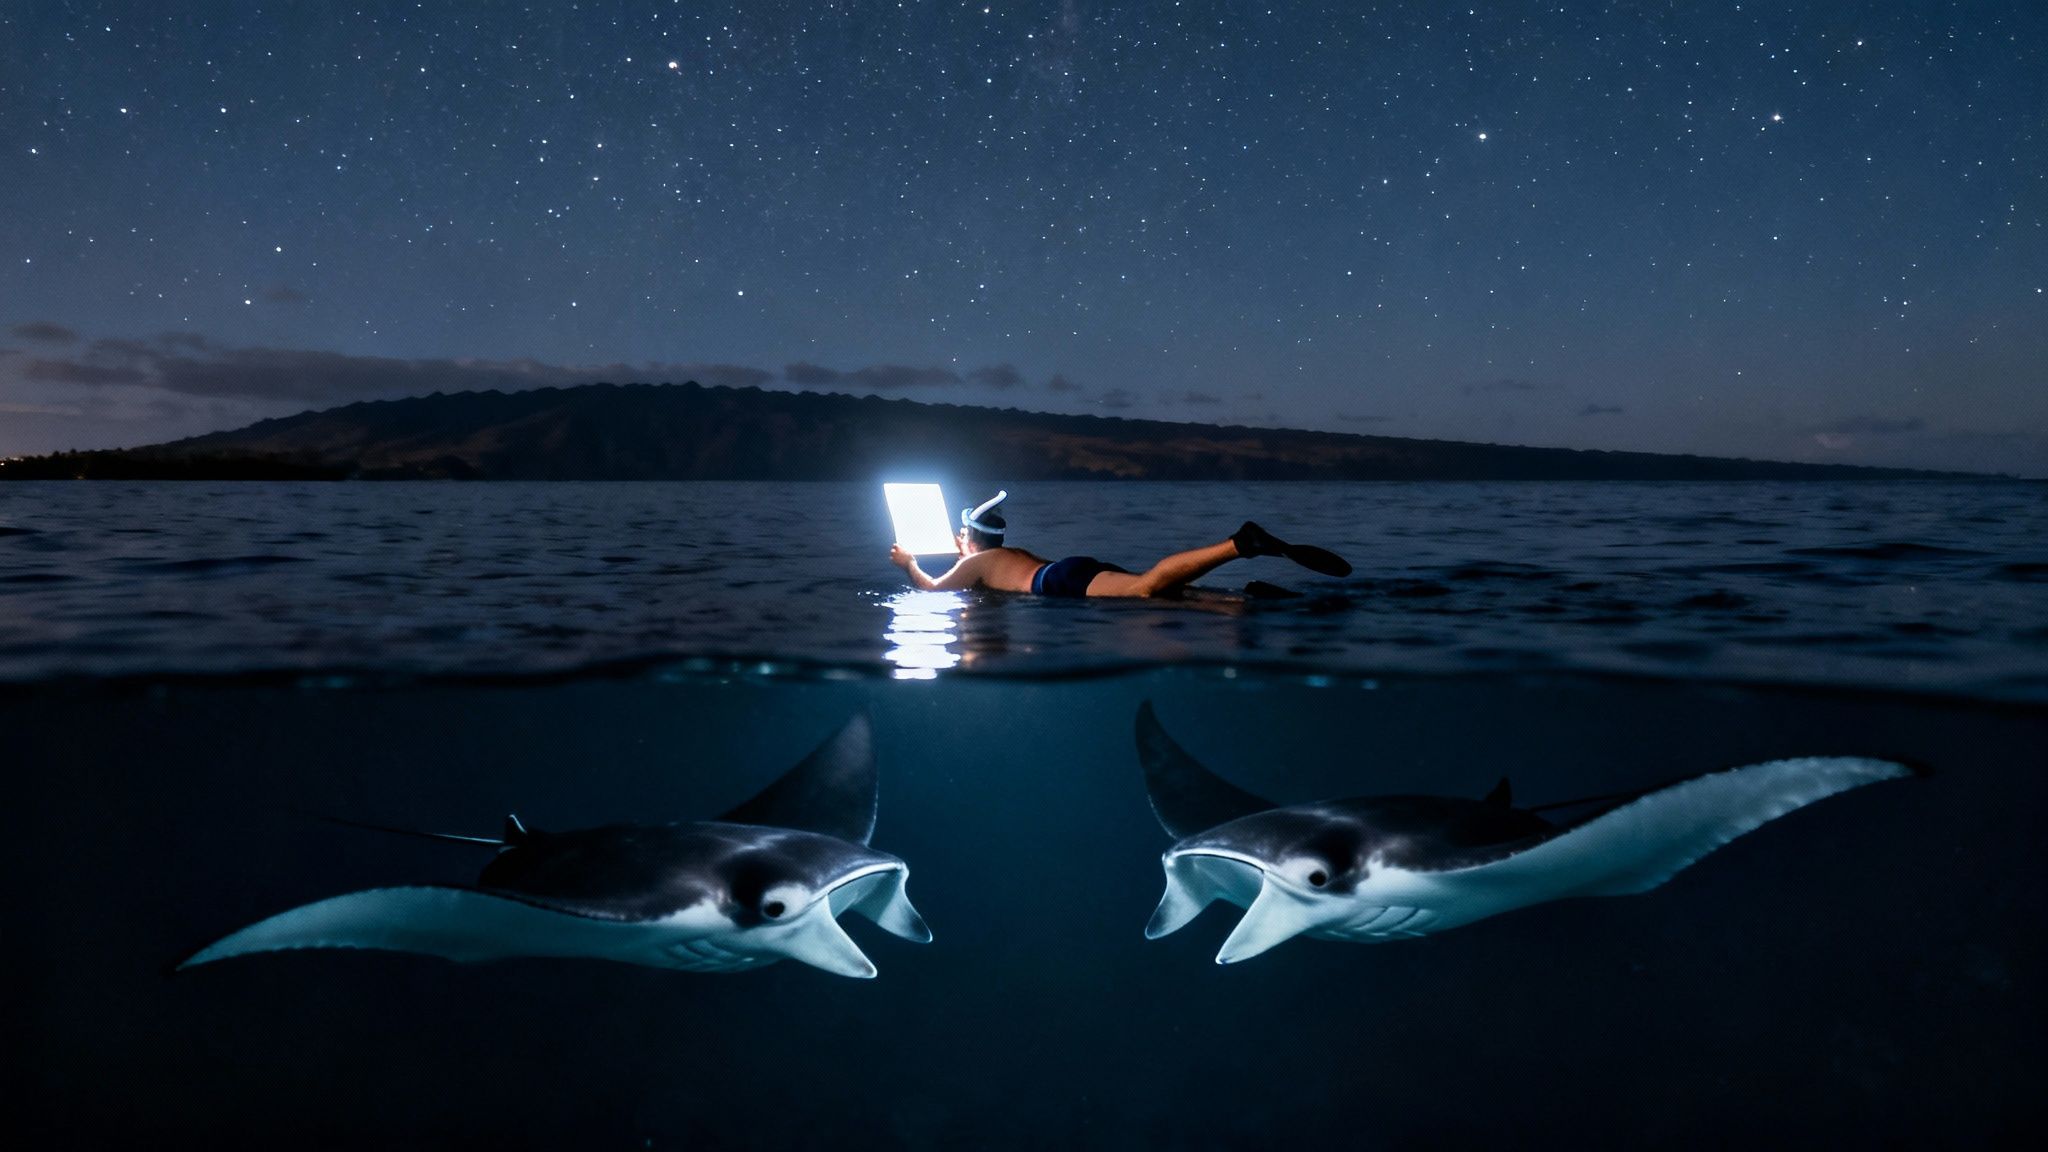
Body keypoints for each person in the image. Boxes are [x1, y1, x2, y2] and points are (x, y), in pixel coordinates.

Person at [888, 491, 1350, 599]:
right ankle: (1248, 598)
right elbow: (977, 560)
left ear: (969, 540)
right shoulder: (998, 556)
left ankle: (1238, 544)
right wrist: (965, 543)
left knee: (1146, 589)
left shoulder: (979, 565)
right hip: (1068, 569)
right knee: (1172, 596)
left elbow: (931, 590)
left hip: (1059, 584)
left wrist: (909, 563)